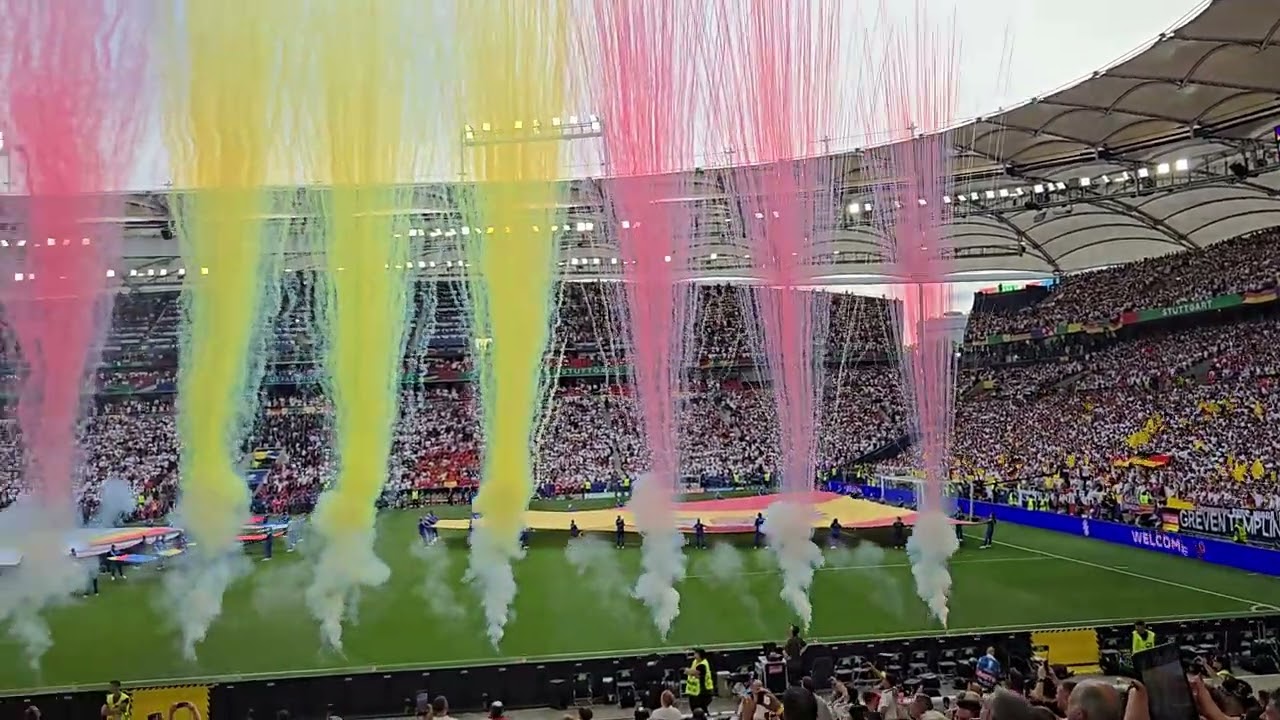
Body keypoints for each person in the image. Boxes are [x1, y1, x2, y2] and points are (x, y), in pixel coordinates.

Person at [684, 648, 714, 713]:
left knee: (699, 710)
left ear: (700, 655)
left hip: (703, 691)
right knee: (696, 709)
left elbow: (695, 673)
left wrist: (689, 671)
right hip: (695, 692)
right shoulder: (695, 661)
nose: (694, 654)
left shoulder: (702, 664)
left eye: (696, 653)